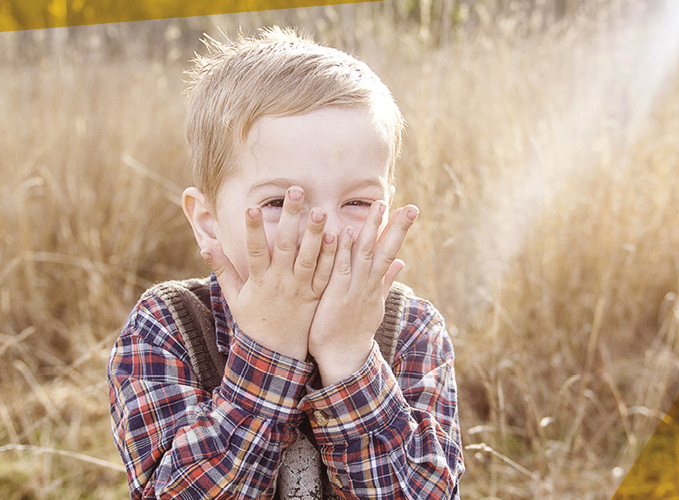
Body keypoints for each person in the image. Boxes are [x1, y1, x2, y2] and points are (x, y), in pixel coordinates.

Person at [108, 26, 463, 499]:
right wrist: (268, 350)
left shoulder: (413, 329)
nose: (326, 230)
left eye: (357, 202)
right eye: (280, 202)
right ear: (209, 222)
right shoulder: (166, 328)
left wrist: (348, 357)